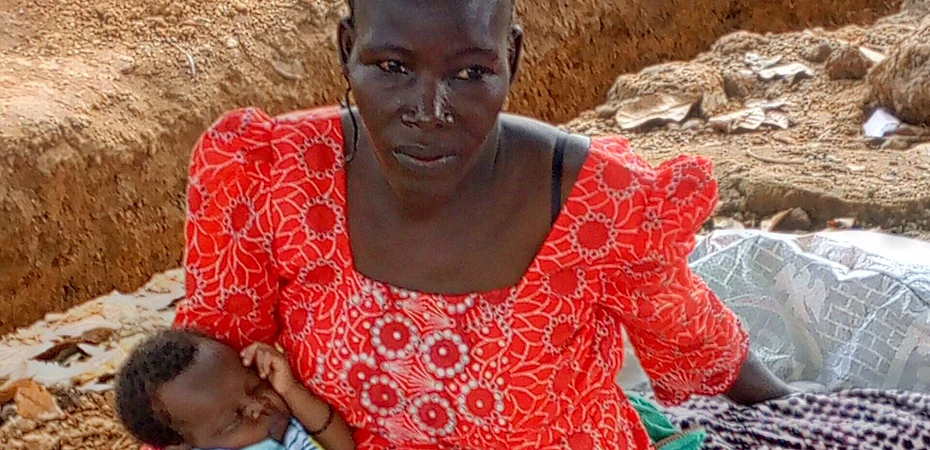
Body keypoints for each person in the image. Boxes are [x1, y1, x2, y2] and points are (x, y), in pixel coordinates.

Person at [168, 0, 844, 448]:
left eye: (469, 73)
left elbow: (695, 340)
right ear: (347, 49)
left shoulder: (595, 203)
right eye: (393, 67)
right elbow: (204, 368)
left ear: (512, 60)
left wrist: (795, 416)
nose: (429, 110)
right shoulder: (271, 177)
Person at [115, 329, 356, 450]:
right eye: (234, 421)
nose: (258, 408)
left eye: (255, 388)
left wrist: (291, 390)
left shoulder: (290, 427)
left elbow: (344, 446)